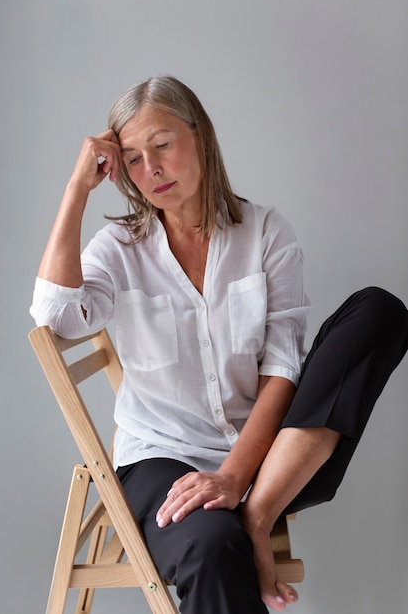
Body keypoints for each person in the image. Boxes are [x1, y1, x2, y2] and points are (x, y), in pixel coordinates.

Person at [30, 75, 408, 614]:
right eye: (133, 159)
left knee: (379, 310)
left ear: (201, 137)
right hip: (162, 462)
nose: (151, 170)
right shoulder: (119, 249)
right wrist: (76, 190)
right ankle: (240, 523)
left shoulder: (266, 233)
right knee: (212, 545)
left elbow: (282, 368)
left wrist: (237, 480)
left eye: (162, 145)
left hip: (276, 460)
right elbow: (55, 317)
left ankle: (257, 513)